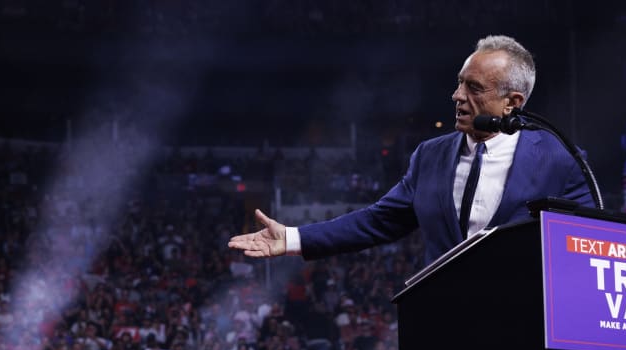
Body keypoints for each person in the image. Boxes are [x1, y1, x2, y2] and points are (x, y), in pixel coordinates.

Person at [229, 35, 594, 268]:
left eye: (474, 88)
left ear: (512, 102)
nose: (457, 96)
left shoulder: (560, 158)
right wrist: (293, 238)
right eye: (458, 83)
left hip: (524, 328)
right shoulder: (429, 157)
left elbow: (587, 246)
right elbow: (377, 221)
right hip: (441, 321)